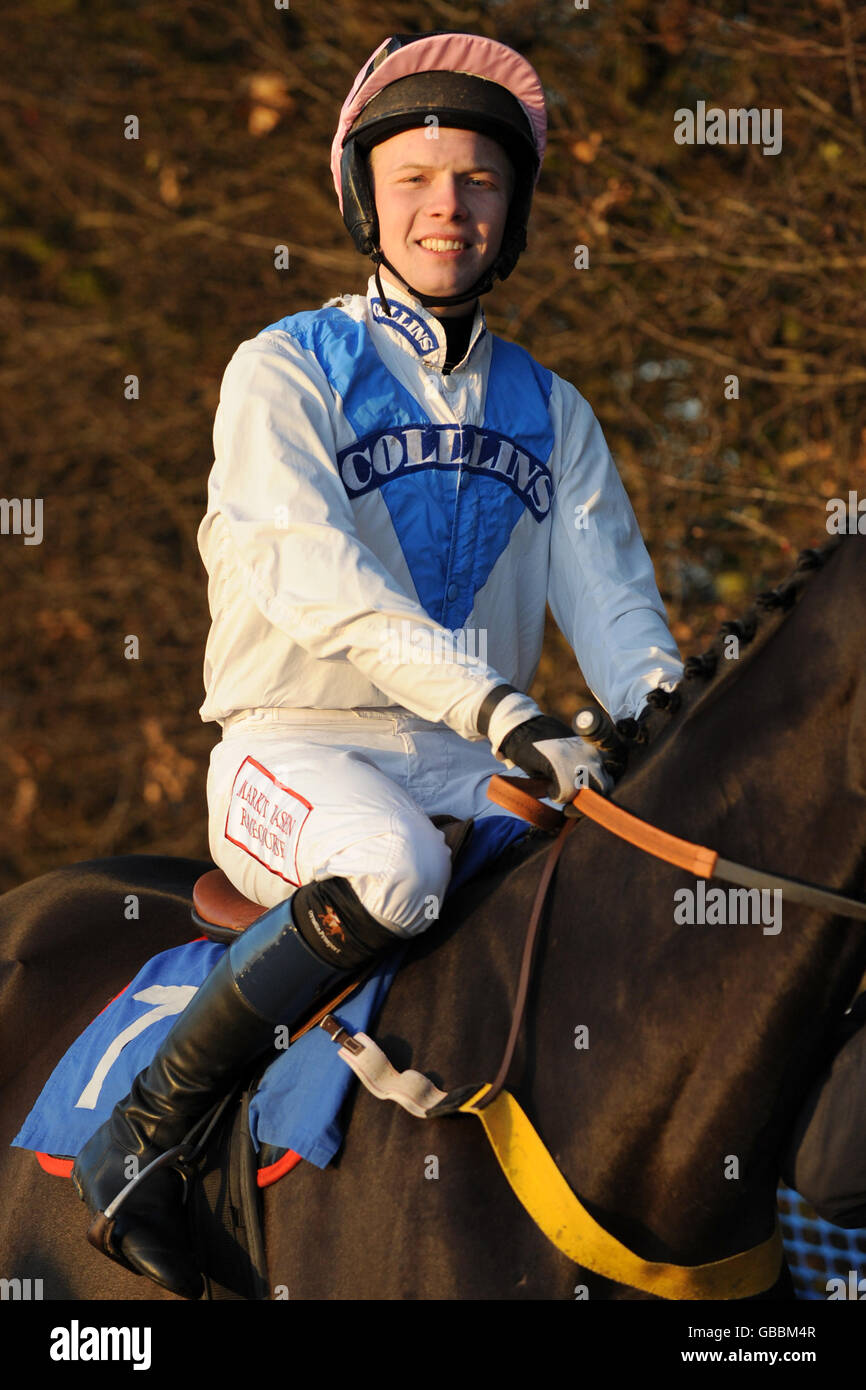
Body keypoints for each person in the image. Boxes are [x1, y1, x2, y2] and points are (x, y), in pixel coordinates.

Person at [72, 31, 684, 1298]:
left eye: (475, 182)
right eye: (414, 180)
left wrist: (670, 726)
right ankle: (143, 1134)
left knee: (651, 885)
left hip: (475, 755)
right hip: (294, 746)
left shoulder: (554, 409)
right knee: (394, 871)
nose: (444, 208)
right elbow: (315, 579)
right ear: (363, 200)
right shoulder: (283, 368)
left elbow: (618, 615)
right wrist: (503, 706)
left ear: (512, 212)